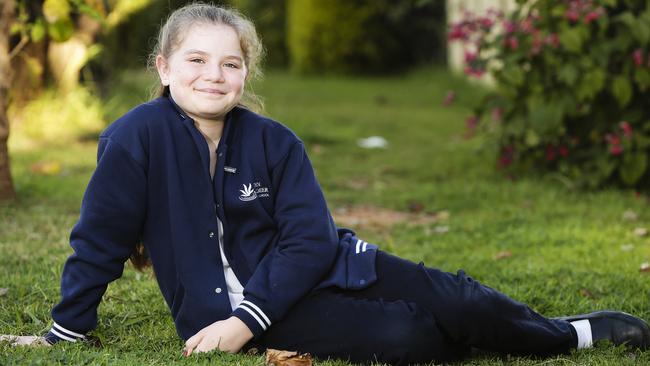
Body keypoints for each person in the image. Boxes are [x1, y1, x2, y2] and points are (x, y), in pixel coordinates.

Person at [41, 3, 650, 365]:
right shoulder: (133, 139)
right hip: (231, 313)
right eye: (196, 60)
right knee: (409, 335)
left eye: (230, 63)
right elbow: (101, 238)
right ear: (165, 66)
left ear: (245, 72)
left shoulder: (275, 141)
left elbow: (310, 239)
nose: (213, 75)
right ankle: (472, 336)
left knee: (460, 297)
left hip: (331, 266)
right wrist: (65, 330)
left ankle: (571, 334)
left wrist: (249, 318)